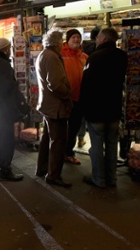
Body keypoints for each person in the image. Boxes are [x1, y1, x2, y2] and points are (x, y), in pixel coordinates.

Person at [80, 27, 127, 188]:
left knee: (97, 146)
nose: (97, 39)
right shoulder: (122, 56)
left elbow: (86, 84)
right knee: (112, 145)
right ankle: (112, 179)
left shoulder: (94, 58)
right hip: (114, 108)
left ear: (104, 39)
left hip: (96, 109)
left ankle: (99, 179)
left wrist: (84, 108)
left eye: (98, 37)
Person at [0, 37, 28, 181]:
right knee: (7, 139)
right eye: (9, 48)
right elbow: (7, 89)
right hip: (5, 108)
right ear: (6, 49)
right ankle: (5, 169)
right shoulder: (4, 65)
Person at [35, 31, 73, 188]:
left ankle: (43, 168)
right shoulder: (51, 57)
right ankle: (53, 175)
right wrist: (67, 95)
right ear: (57, 43)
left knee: (47, 138)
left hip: (48, 104)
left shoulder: (44, 54)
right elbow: (56, 84)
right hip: (55, 106)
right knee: (58, 141)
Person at [61, 29, 88, 165]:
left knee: (74, 128)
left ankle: (68, 153)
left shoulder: (84, 57)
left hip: (79, 99)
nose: (76, 40)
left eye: (78, 37)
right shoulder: (60, 54)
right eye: (73, 37)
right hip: (65, 98)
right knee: (61, 128)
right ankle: (58, 153)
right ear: (68, 39)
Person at [78, 26, 99, 147]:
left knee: (81, 116)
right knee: (91, 116)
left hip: (81, 83)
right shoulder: (97, 49)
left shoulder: (82, 48)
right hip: (93, 86)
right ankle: (94, 142)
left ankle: (80, 139)